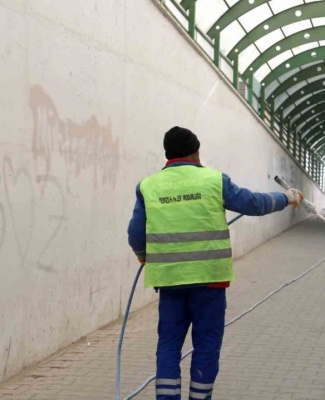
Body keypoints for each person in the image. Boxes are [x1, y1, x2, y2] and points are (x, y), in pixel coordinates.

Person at [127, 126, 304, 400]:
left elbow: (136, 233)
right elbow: (253, 203)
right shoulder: (214, 180)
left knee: (168, 347)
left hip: (170, 281)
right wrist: (287, 198)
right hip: (210, 281)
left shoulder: (147, 186)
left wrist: (143, 254)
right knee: (206, 346)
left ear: (168, 155)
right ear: (195, 152)